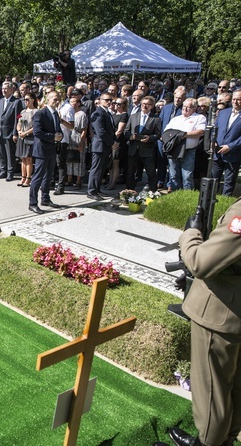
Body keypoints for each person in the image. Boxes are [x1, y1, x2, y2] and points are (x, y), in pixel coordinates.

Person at [167, 197, 241, 446]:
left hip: (221, 313)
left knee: (212, 399)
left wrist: (190, 234)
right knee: (235, 392)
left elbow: (200, 262)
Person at [29, 91, 63, 214]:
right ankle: (32, 203)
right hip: (42, 150)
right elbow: (37, 132)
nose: (57, 100)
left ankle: (45, 198)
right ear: (47, 99)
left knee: (48, 176)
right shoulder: (40, 113)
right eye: (54, 98)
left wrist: (59, 136)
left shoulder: (55, 114)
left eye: (58, 98)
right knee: (38, 177)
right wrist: (53, 136)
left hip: (52, 149)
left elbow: (58, 129)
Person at [164, 97, 206, 191]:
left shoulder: (199, 118)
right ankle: (175, 196)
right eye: (184, 106)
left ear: (195, 108)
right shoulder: (176, 119)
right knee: (174, 175)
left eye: (188, 107)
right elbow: (166, 132)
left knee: (187, 176)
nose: (185, 109)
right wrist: (178, 135)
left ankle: (187, 197)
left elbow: (201, 132)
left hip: (188, 151)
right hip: (174, 150)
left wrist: (184, 135)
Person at [124, 95, 161, 192]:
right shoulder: (133, 116)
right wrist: (130, 136)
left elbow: (158, 134)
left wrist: (150, 138)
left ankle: (153, 193)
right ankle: (129, 193)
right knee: (130, 172)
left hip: (147, 150)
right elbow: (126, 131)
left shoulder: (156, 118)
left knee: (151, 173)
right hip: (133, 148)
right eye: (143, 104)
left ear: (152, 106)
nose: (145, 106)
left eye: (148, 105)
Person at [87, 93, 118, 200]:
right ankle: (91, 191)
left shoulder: (107, 113)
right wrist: (112, 143)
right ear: (100, 100)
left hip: (105, 146)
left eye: (111, 100)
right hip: (99, 146)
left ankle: (97, 189)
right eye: (106, 100)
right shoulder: (98, 113)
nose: (109, 102)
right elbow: (101, 131)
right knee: (96, 169)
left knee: (102, 169)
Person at [211, 89, 241, 196]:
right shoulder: (223, 112)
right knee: (213, 181)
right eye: (234, 99)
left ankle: (225, 206)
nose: (235, 102)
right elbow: (215, 128)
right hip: (217, 153)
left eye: (239, 99)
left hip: (233, 154)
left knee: (228, 183)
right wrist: (212, 141)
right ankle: (210, 203)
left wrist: (230, 146)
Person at [0, 81, 21, 181]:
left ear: (11, 89)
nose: (4, 91)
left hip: (9, 132)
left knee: (10, 154)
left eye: (6, 89)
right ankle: (3, 170)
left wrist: (15, 133)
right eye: (3, 89)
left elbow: (17, 118)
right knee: (1, 153)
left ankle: (10, 172)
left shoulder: (16, 102)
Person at [16, 92, 38, 187]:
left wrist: (26, 133)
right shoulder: (22, 112)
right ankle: (23, 177)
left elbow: (36, 126)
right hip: (22, 136)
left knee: (28, 159)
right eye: (24, 99)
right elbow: (18, 122)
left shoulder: (36, 112)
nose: (26, 101)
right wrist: (19, 131)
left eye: (27, 99)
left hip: (30, 136)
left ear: (33, 100)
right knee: (23, 158)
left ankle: (28, 178)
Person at [106, 97, 129, 190]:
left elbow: (119, 131)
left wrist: (112, 140)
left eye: (119, 104)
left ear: (123, 105)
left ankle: (113, 183)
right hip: (111, 141)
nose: (116, 105)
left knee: (115, 163)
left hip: (118, 141)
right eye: (115, 103)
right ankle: (110, 181)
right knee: (111, 164)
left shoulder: (124, 115)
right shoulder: (113, 114)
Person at [67, 96, 87, 189]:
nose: (72, 103)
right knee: (69, 160)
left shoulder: (82, 114)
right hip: (69, 138)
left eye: (74, 102)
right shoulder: (69, 113)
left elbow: (84, 129)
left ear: (78, 103)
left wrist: (81, 142)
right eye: (70, 101)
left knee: (79, 161)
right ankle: (69, 179)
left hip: (78, 137)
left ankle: (78, 181)